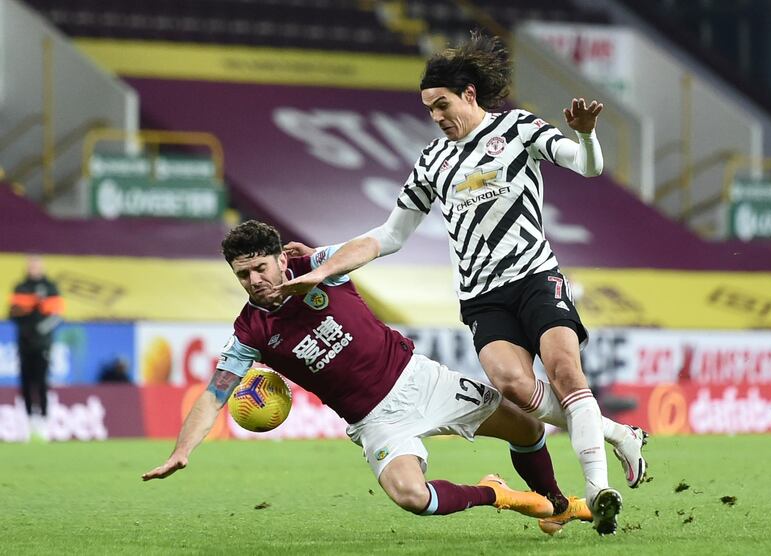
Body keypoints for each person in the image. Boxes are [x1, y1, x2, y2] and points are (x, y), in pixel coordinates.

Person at [278, 33, 647, 535]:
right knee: (512, 385)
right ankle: (618, 433)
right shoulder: (432, 162)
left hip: (536, 277)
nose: (436, 116)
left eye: (442, 104)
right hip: (482, 297)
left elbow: (588, 165)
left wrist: (585, 134)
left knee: (564, 369)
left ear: (469, 94)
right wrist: (323, 262)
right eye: (429, 109)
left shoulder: (519, 129)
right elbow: (389, 234)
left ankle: (599, 488)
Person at [143, 220, 593, 534]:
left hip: (421, 380)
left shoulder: (319, 268)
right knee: (412, 497)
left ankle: (554, 504)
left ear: (282, 259)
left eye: (261, 267)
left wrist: (320, 269)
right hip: (375, 420)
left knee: (529, 427)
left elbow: (365, 246)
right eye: (243, 275)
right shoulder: (250, 331)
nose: (255, 280)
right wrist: (183, 450)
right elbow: (214, 395)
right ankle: (498, 494)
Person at [8, 256, 64, 441]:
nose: (33, 269)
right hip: (24, 344)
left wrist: (41, 329)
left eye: (36, 265)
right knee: (25, 383)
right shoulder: (20, 287)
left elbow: (57, 315)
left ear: (41, 267)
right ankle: (28, 421)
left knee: (41, 383)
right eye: (31, 266)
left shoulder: (50, 287)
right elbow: (12, 313)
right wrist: (32, 305)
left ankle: (45, 422)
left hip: (43, 345)